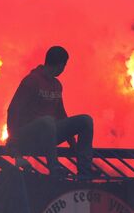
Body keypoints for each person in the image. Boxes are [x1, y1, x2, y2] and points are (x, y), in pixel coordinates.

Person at [6, 46, 94, 178]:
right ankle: (54, 168)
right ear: (60, 65)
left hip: (49, 135)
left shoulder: (57, 85)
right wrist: (13, 141)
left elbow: (61, 115)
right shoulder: (31, 81)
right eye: (64, 65)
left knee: (86, 120)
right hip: (28, 136)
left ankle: (85, 171)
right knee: (47, 121)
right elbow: (13, 110)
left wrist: (73, 144)